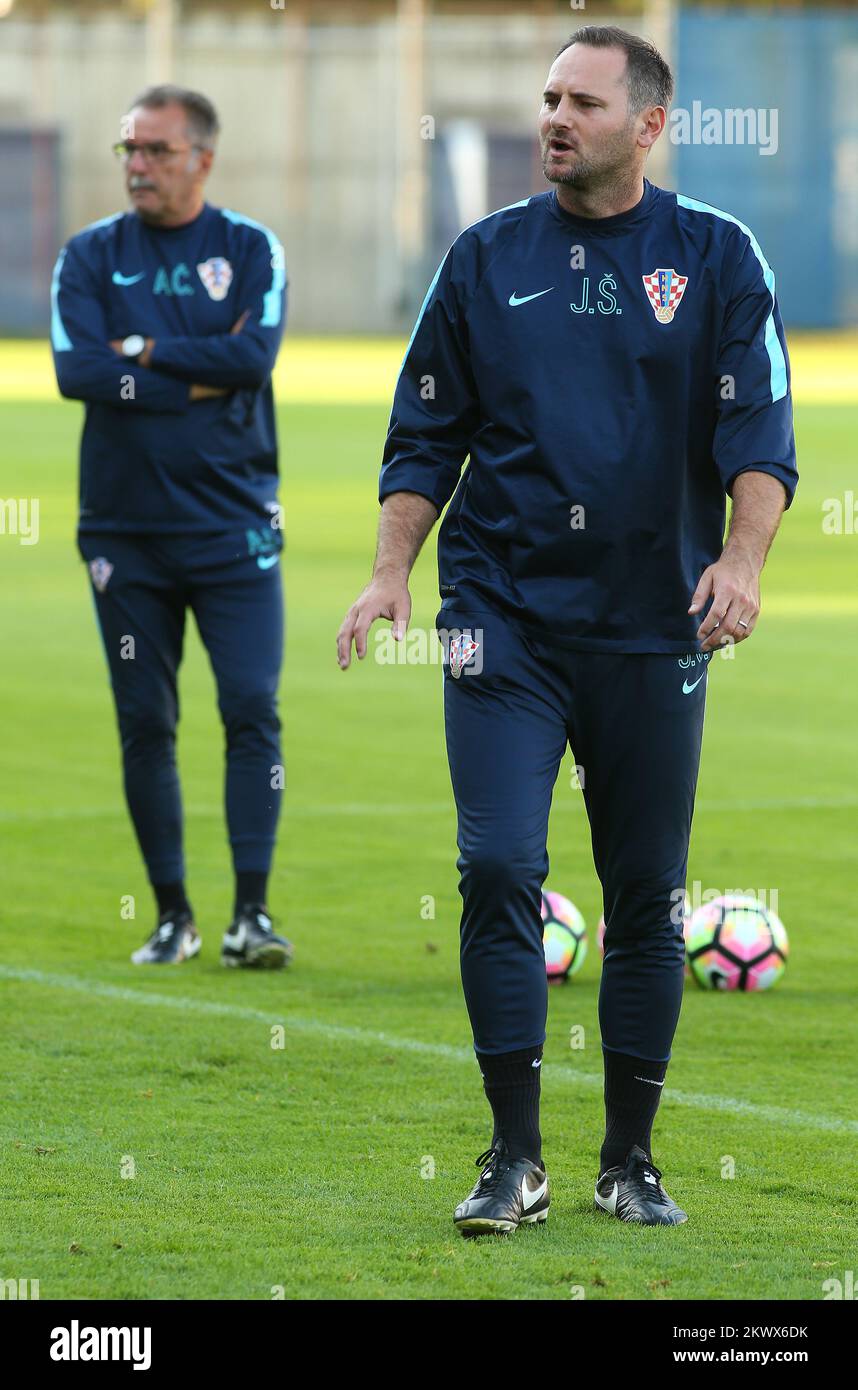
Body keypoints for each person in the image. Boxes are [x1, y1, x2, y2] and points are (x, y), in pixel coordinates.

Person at [337, 26, 797, 1233]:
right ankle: (512, 1157)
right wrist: (393, 574)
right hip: (502, 619)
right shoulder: (484, 259)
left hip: (655, 624)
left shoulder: (716, 256)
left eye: (582, 102)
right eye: (546, 97)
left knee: (643, 895)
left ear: (648, 125)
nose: (555, 118)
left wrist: (742, 564)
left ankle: (629, 1157)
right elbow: (425, 431)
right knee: (496, 866)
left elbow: (760, 437)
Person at [51, 85, 292, 969]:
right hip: (123, 534)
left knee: (250, 709)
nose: (138, 166)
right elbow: (77, 372)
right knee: (145, 721)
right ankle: (172, 916)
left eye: (154, 149)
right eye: (129, 150)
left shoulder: (249, 248)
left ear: (202, 157)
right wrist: (200, 374)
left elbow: (254, 359)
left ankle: (251, 918)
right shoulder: (87, 257)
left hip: (235, 527)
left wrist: (143, 349)